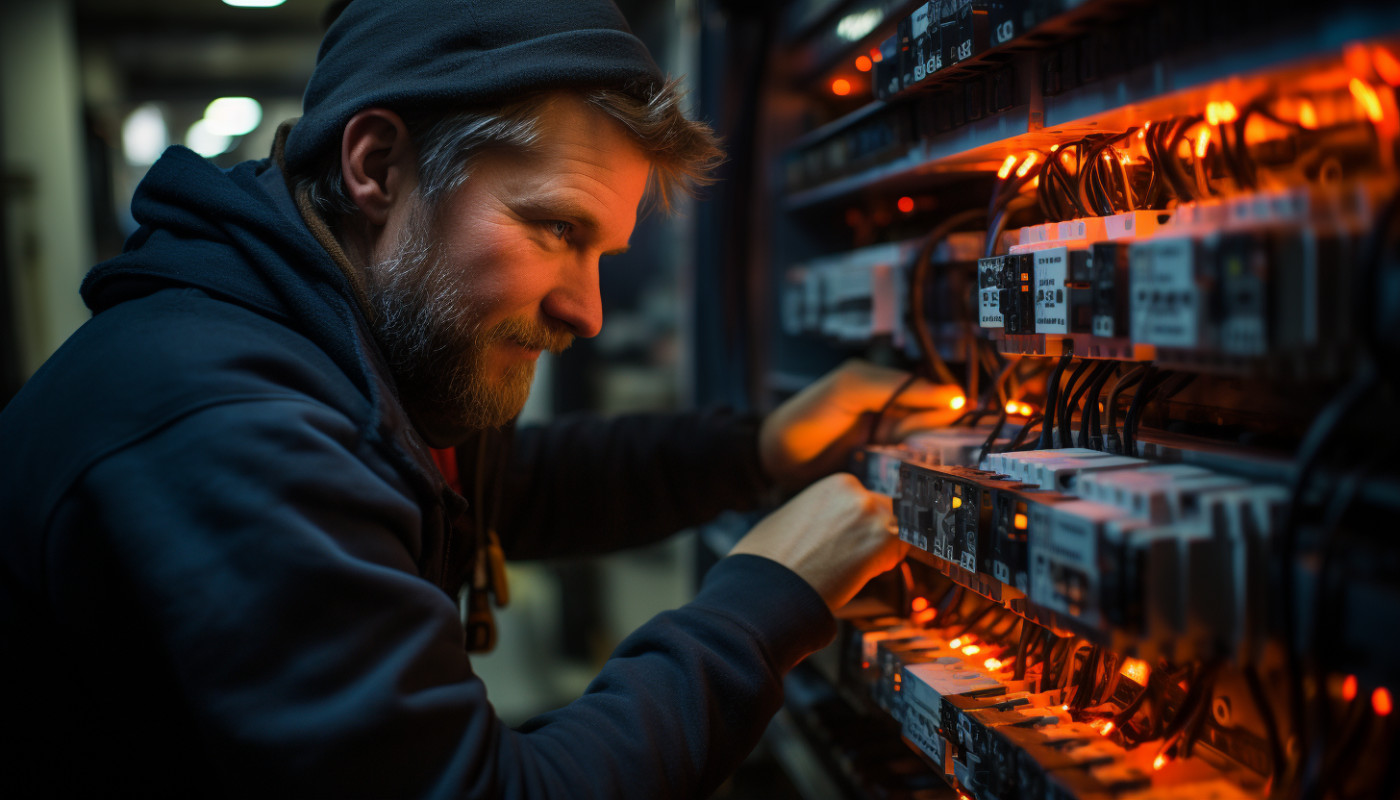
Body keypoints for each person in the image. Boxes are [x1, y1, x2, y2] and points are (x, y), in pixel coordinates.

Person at [0, 1, 961, 796]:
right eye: (553, 228)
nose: (585, 311)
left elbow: (507, 487)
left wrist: (757, 449)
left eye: (602, 255)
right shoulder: (220, 426)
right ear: (376, 166)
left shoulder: (312, 338)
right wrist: (762, 605)